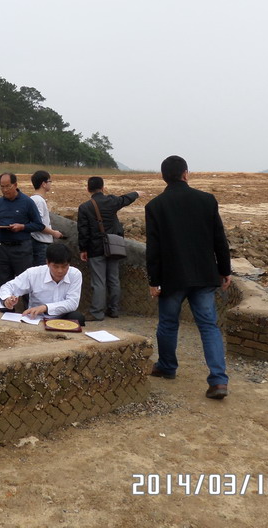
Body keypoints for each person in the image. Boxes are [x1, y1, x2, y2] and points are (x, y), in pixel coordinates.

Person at [145, 155, 232, 400]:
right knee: (209, 326)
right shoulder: (206, 200)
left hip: (172, 277)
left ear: (164, 177)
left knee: (168, 324)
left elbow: (153, 248)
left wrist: (153, 280)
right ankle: (218, 380)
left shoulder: (155, 206)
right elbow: (219, 239)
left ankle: (167, 366)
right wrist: (225, 270)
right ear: (185, 174)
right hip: (204, 274)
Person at [77, 176, 142, 321]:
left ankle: (97, 312)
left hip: (95, 248)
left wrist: (83, 249)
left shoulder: (85, 207)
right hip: (113, 247)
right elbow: (125, 199)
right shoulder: (111, 201)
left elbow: (83, 231)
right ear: (103, 187)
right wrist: (136, 193)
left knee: (98, 282)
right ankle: (114, 310)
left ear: (88, 189)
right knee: (113, 279)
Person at [0, 243, 86, 326]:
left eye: (64, 266)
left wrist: (45, 307)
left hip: (62, 317)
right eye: (55, 266)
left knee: (77, 318)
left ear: (69, 264)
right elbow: (8, 287)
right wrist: (7, 298)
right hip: (37, 317)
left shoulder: (75, 274)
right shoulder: (33, 274)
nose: (60, 271)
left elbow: (72, 303)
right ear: (47, 263)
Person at [0, 172, 44, 288]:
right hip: (2, 249)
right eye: (2, 187)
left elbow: (39, 225)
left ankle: (27, 301)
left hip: (21, 249)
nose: (5, 190)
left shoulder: (27, 202)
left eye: (8, 186)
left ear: (15, 185)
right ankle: (6, 300)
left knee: (25, 284)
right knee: (4, 284)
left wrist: (22, 227)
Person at [29, 170, 63, 266]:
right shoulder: (39, 201)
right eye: (49, 181)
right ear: (43, 184)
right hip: (41, 243)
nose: (50, 183)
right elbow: (38, 225)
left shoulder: (32, 199)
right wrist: (54, 233)